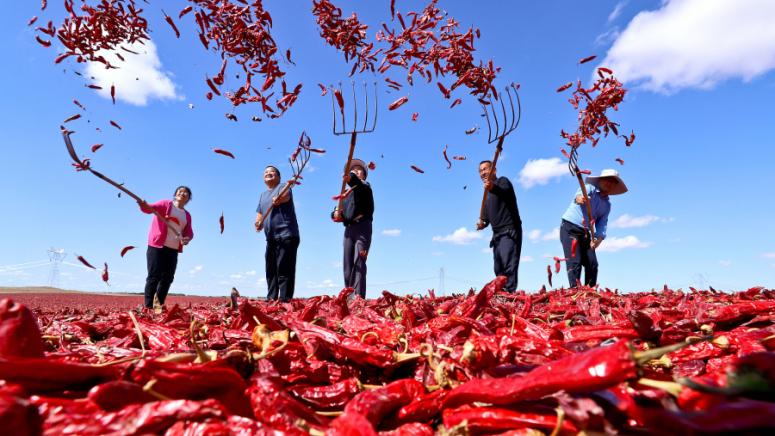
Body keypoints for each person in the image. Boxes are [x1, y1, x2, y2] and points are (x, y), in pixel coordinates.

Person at [560, 169, 628, 287]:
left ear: (615, 186)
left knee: (592, 264)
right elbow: (579, 195)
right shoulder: (590, 188)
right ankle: (574, 293)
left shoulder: (606, 205)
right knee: (574, 261)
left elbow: (602, 224)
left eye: (612, 182)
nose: (609, 183)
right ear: (600, 181)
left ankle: (589, 293)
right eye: (607, 180)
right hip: (570, 228)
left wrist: (599, 239)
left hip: (586, 233)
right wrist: (580, 199)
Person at [139, 186, 194, 310]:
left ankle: (158, 305)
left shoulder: (186, 215)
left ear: (188, 198)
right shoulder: (165, 204)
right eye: (180, 191)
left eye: (186, 193)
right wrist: (143, 204)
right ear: (175, 194)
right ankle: (148, 307)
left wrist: (187, 239)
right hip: (157, 245)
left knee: (168, 278)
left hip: (173, 249)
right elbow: (149, 209)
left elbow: (189, 232)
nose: (182, 193)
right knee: (154, 276)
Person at [476, 160, 523, 292]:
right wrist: (482, 224)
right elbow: (486, 219)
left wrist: (492, 187)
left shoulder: (503, 182)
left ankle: (509, 294)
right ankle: (502, 294)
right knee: (498, 268)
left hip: (509, 230)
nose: (483, 173)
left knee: (509, 265)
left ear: (494, 170)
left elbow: (504, 191)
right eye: (480, 171)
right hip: (496, 235)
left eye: (485, 169)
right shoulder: (486, 196)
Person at [255, 165, 300, 302]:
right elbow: (260, 213)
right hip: (271, 238)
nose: (268, 173)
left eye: (272, 172)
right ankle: (271, 298)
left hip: (286, 234)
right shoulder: (263, 195)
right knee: (271, 269)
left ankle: (284, 300)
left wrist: (279, 198)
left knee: (284, 269)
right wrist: (258, 223)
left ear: (279, 177)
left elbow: (285, 197)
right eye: (266, 172)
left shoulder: (283, 187)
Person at [332, 159, 374, 298]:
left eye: (358, 169)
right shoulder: (345, 193)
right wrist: (336, 214)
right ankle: (349, 297)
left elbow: (356, 184)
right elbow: (339, 212)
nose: (355, 170)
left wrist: (351, 177)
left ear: (364, 174)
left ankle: (358, 298)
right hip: (349, 230)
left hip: (363, 227)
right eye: (352, 169)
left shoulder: (365, 187)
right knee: (347, 264)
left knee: (359, 261)